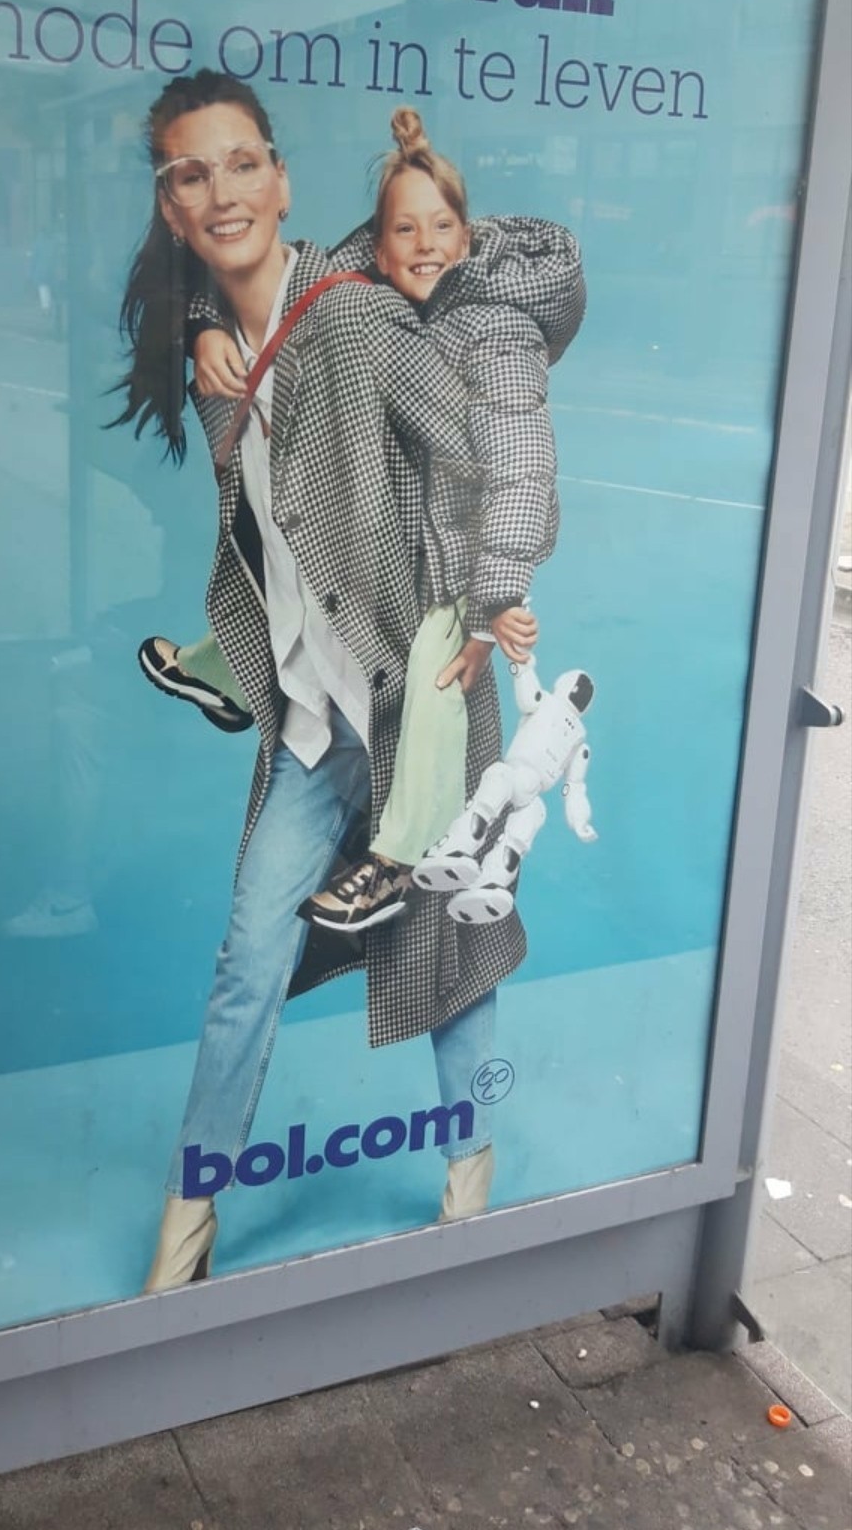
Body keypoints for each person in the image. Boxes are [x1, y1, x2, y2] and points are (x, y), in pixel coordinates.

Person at [115, 70, 577, 1293]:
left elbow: (478, 454)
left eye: (241, 164)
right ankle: (188, 1224)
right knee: (246, 958)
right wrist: (197, 329)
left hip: (412, 701)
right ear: (171, 205)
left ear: (282, 180)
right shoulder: (220, 353)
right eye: (191, 174)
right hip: (315, 727)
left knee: (449, 950)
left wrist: (481, 597)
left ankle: (468, 1189)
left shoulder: (359, 320)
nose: (221, 191)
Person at [154, 107, 577, 933]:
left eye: (442, 227)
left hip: (454, 560)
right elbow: (286, 278)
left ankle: (401, 856)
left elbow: (520, 467)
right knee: (295, 561)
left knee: (432, 668)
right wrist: (203, 322)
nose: (424, 245)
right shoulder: (377, 302)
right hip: (391, 557)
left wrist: (493, 597)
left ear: (468, 240)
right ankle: (227, 669)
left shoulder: (495, 332)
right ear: (378, 249)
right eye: (404, 229)